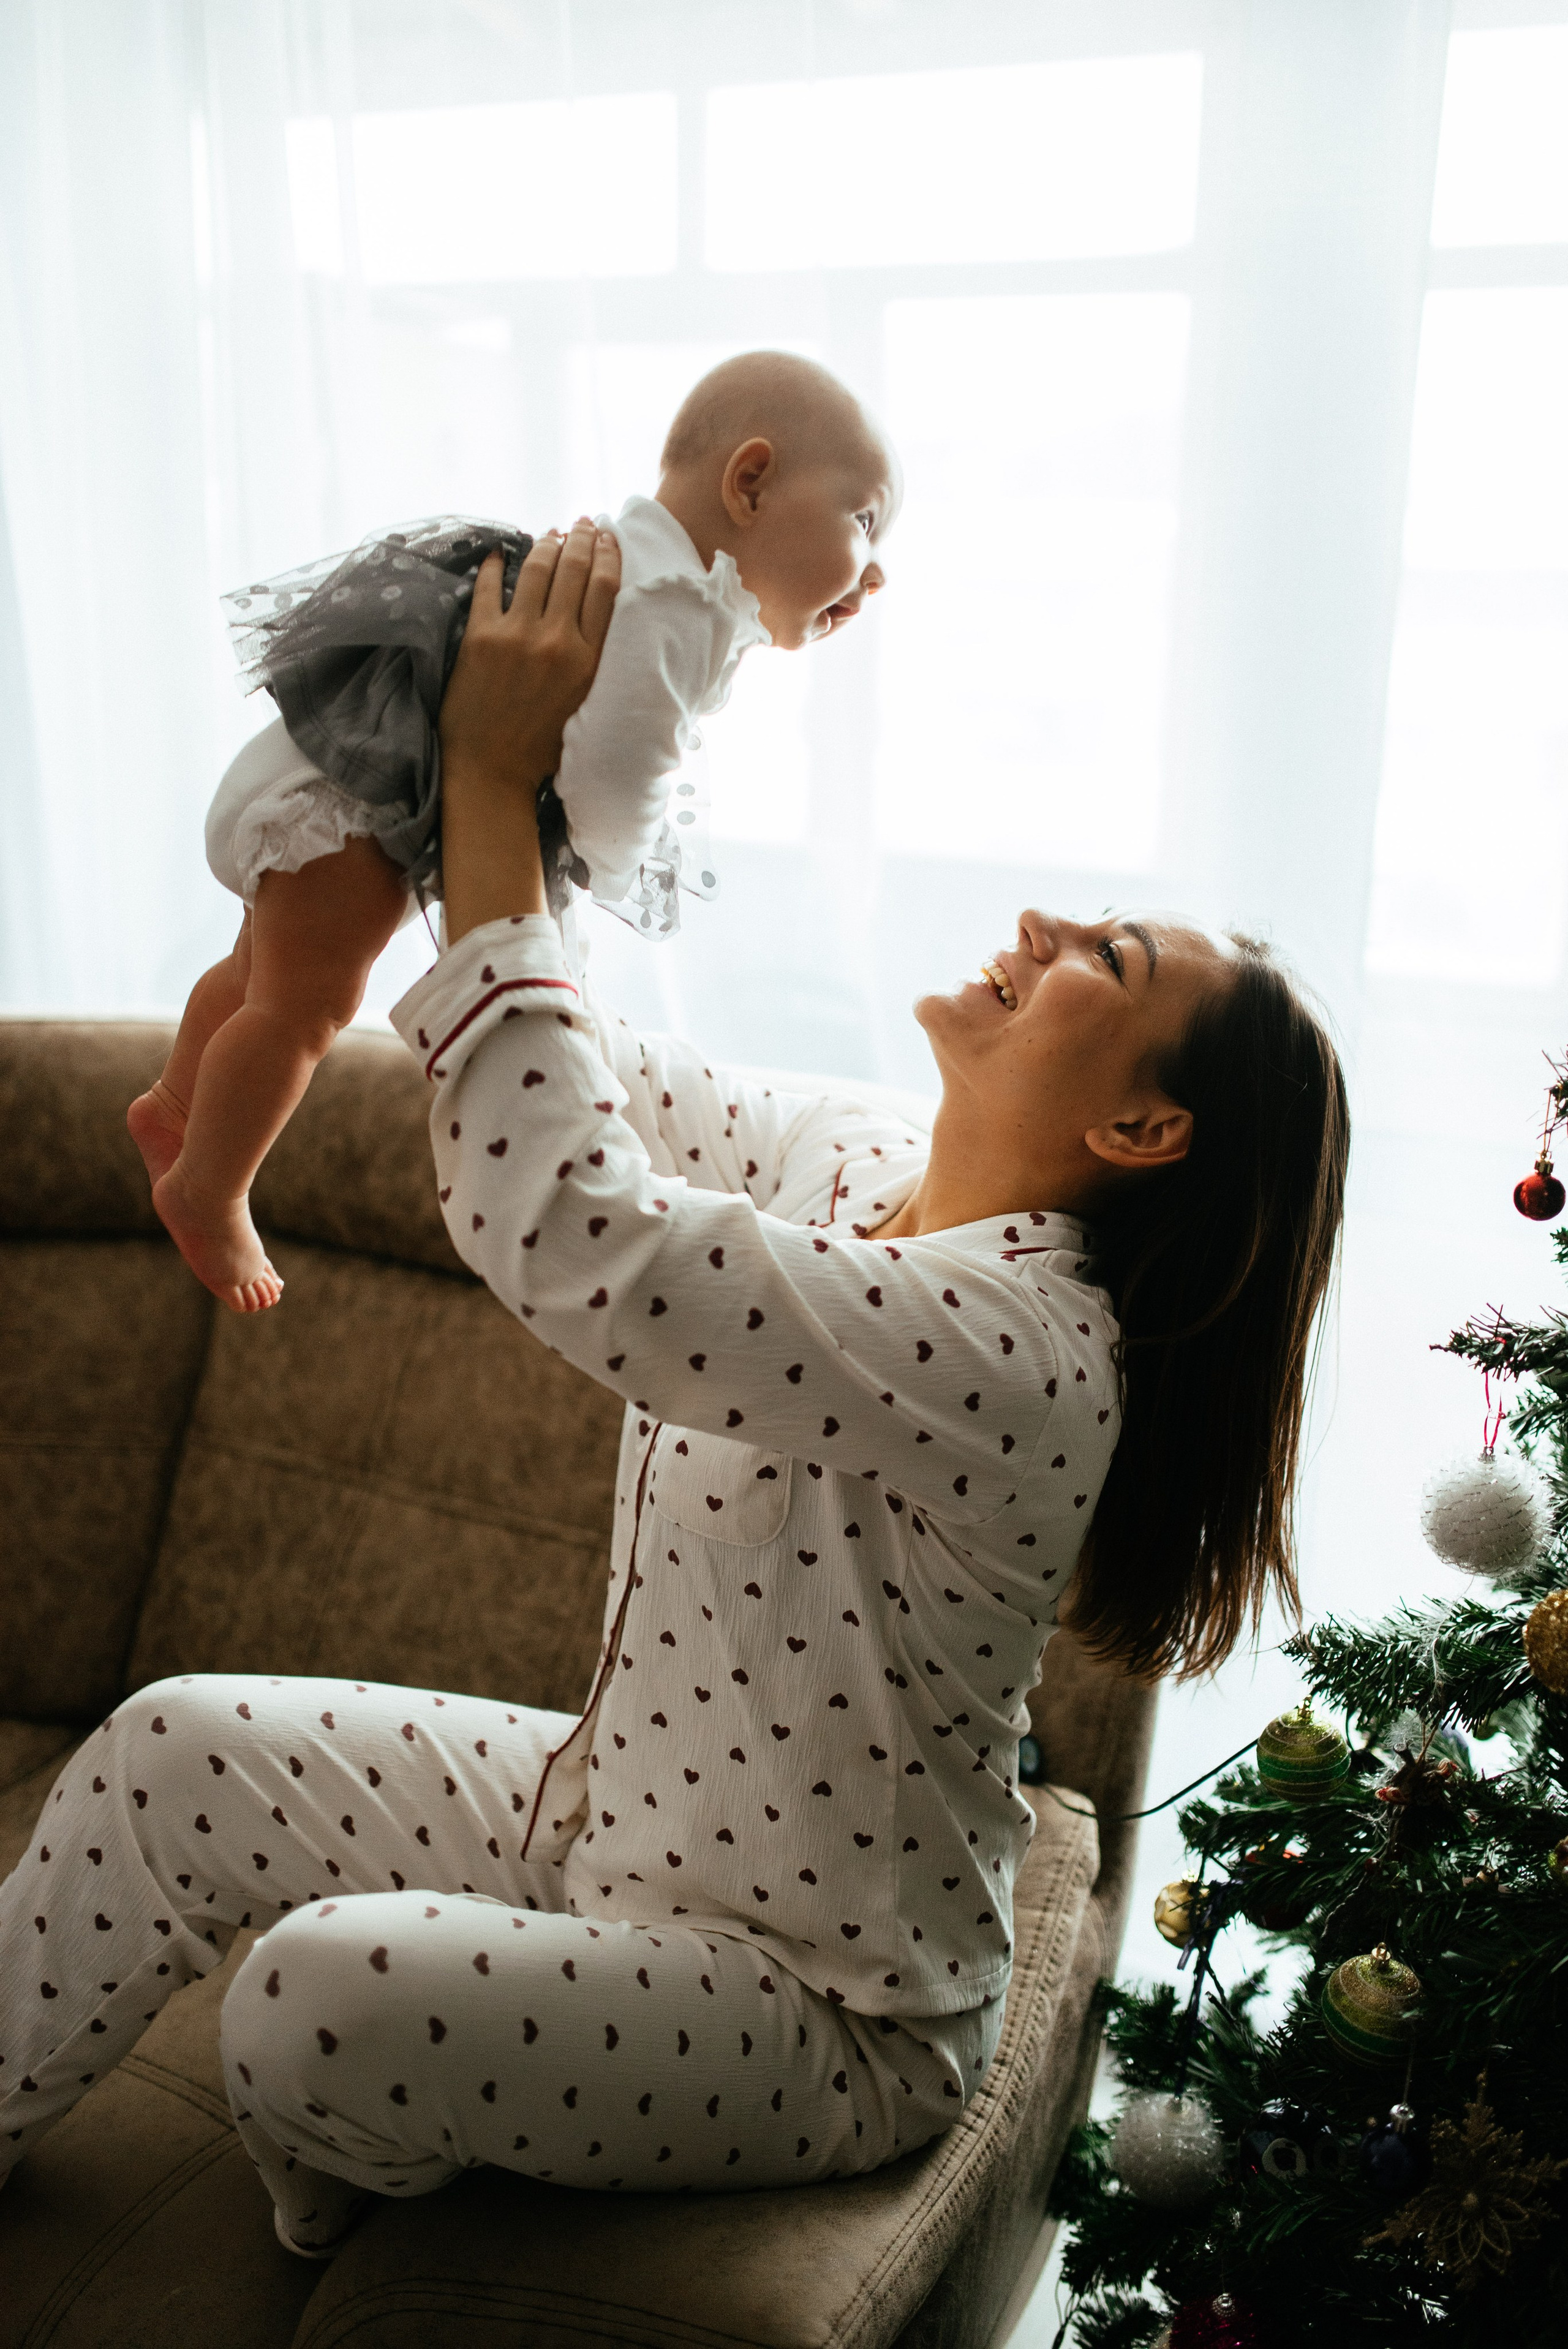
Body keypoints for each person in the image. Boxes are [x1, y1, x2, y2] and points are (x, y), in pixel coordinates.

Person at [1, 524, 1348, 2256]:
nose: (1043, 920)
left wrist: (490, 788)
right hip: (604, 1814)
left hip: (817, 2004)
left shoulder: (1018, 1355)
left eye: (1109, 954)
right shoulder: (859, 1153)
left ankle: (367, 2165)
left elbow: (578, 1228)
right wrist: (478, 782)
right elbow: (576, 1068)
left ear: (1143, 1130)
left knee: (307, 2006)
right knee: (167, 1748)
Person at [127, 353, 897, 1316]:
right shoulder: (674, 605)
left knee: (257, 974)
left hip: (336, 774)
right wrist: (612, 858)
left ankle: (175, 1106)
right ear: (750, 484)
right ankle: (210, 1188)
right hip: (358, 808)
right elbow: (616, 778)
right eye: (863, 521)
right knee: (304, 1010)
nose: (874, 574)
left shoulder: (652, 573)